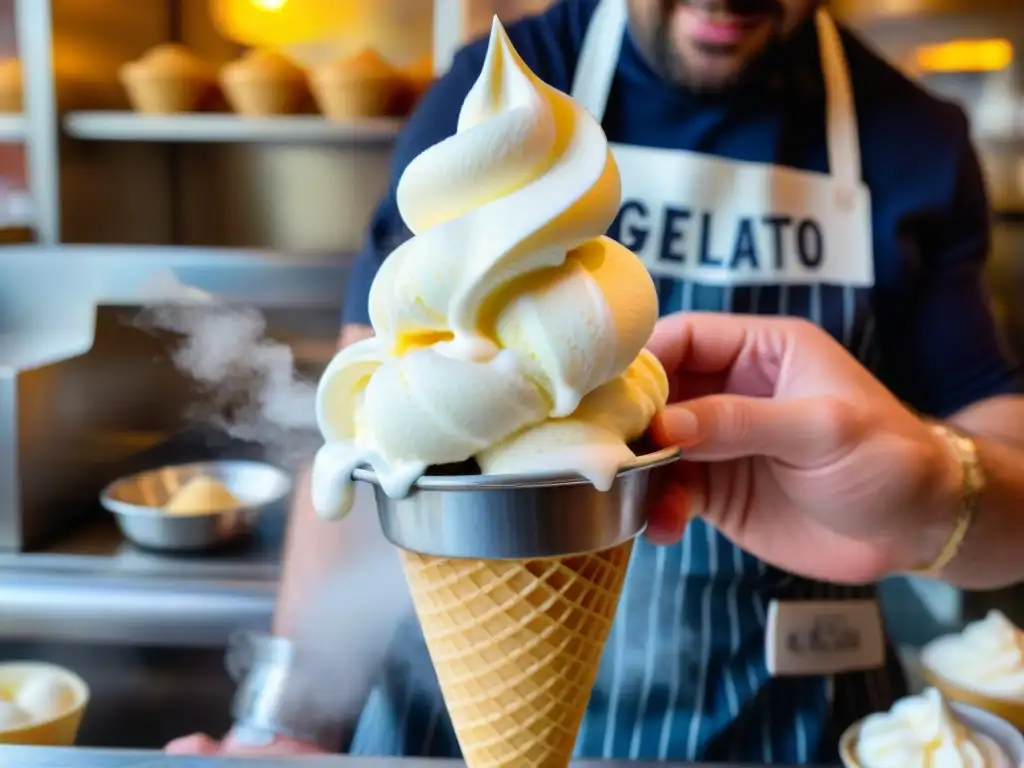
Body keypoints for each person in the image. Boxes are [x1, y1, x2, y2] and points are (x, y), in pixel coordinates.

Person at [167, 0, 1024, 763]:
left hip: (782, 721)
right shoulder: (495, 115)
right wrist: (283, 722)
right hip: (454, 722)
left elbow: (1011, 490)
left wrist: (940, 487)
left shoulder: (912, 137)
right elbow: (381, 425)